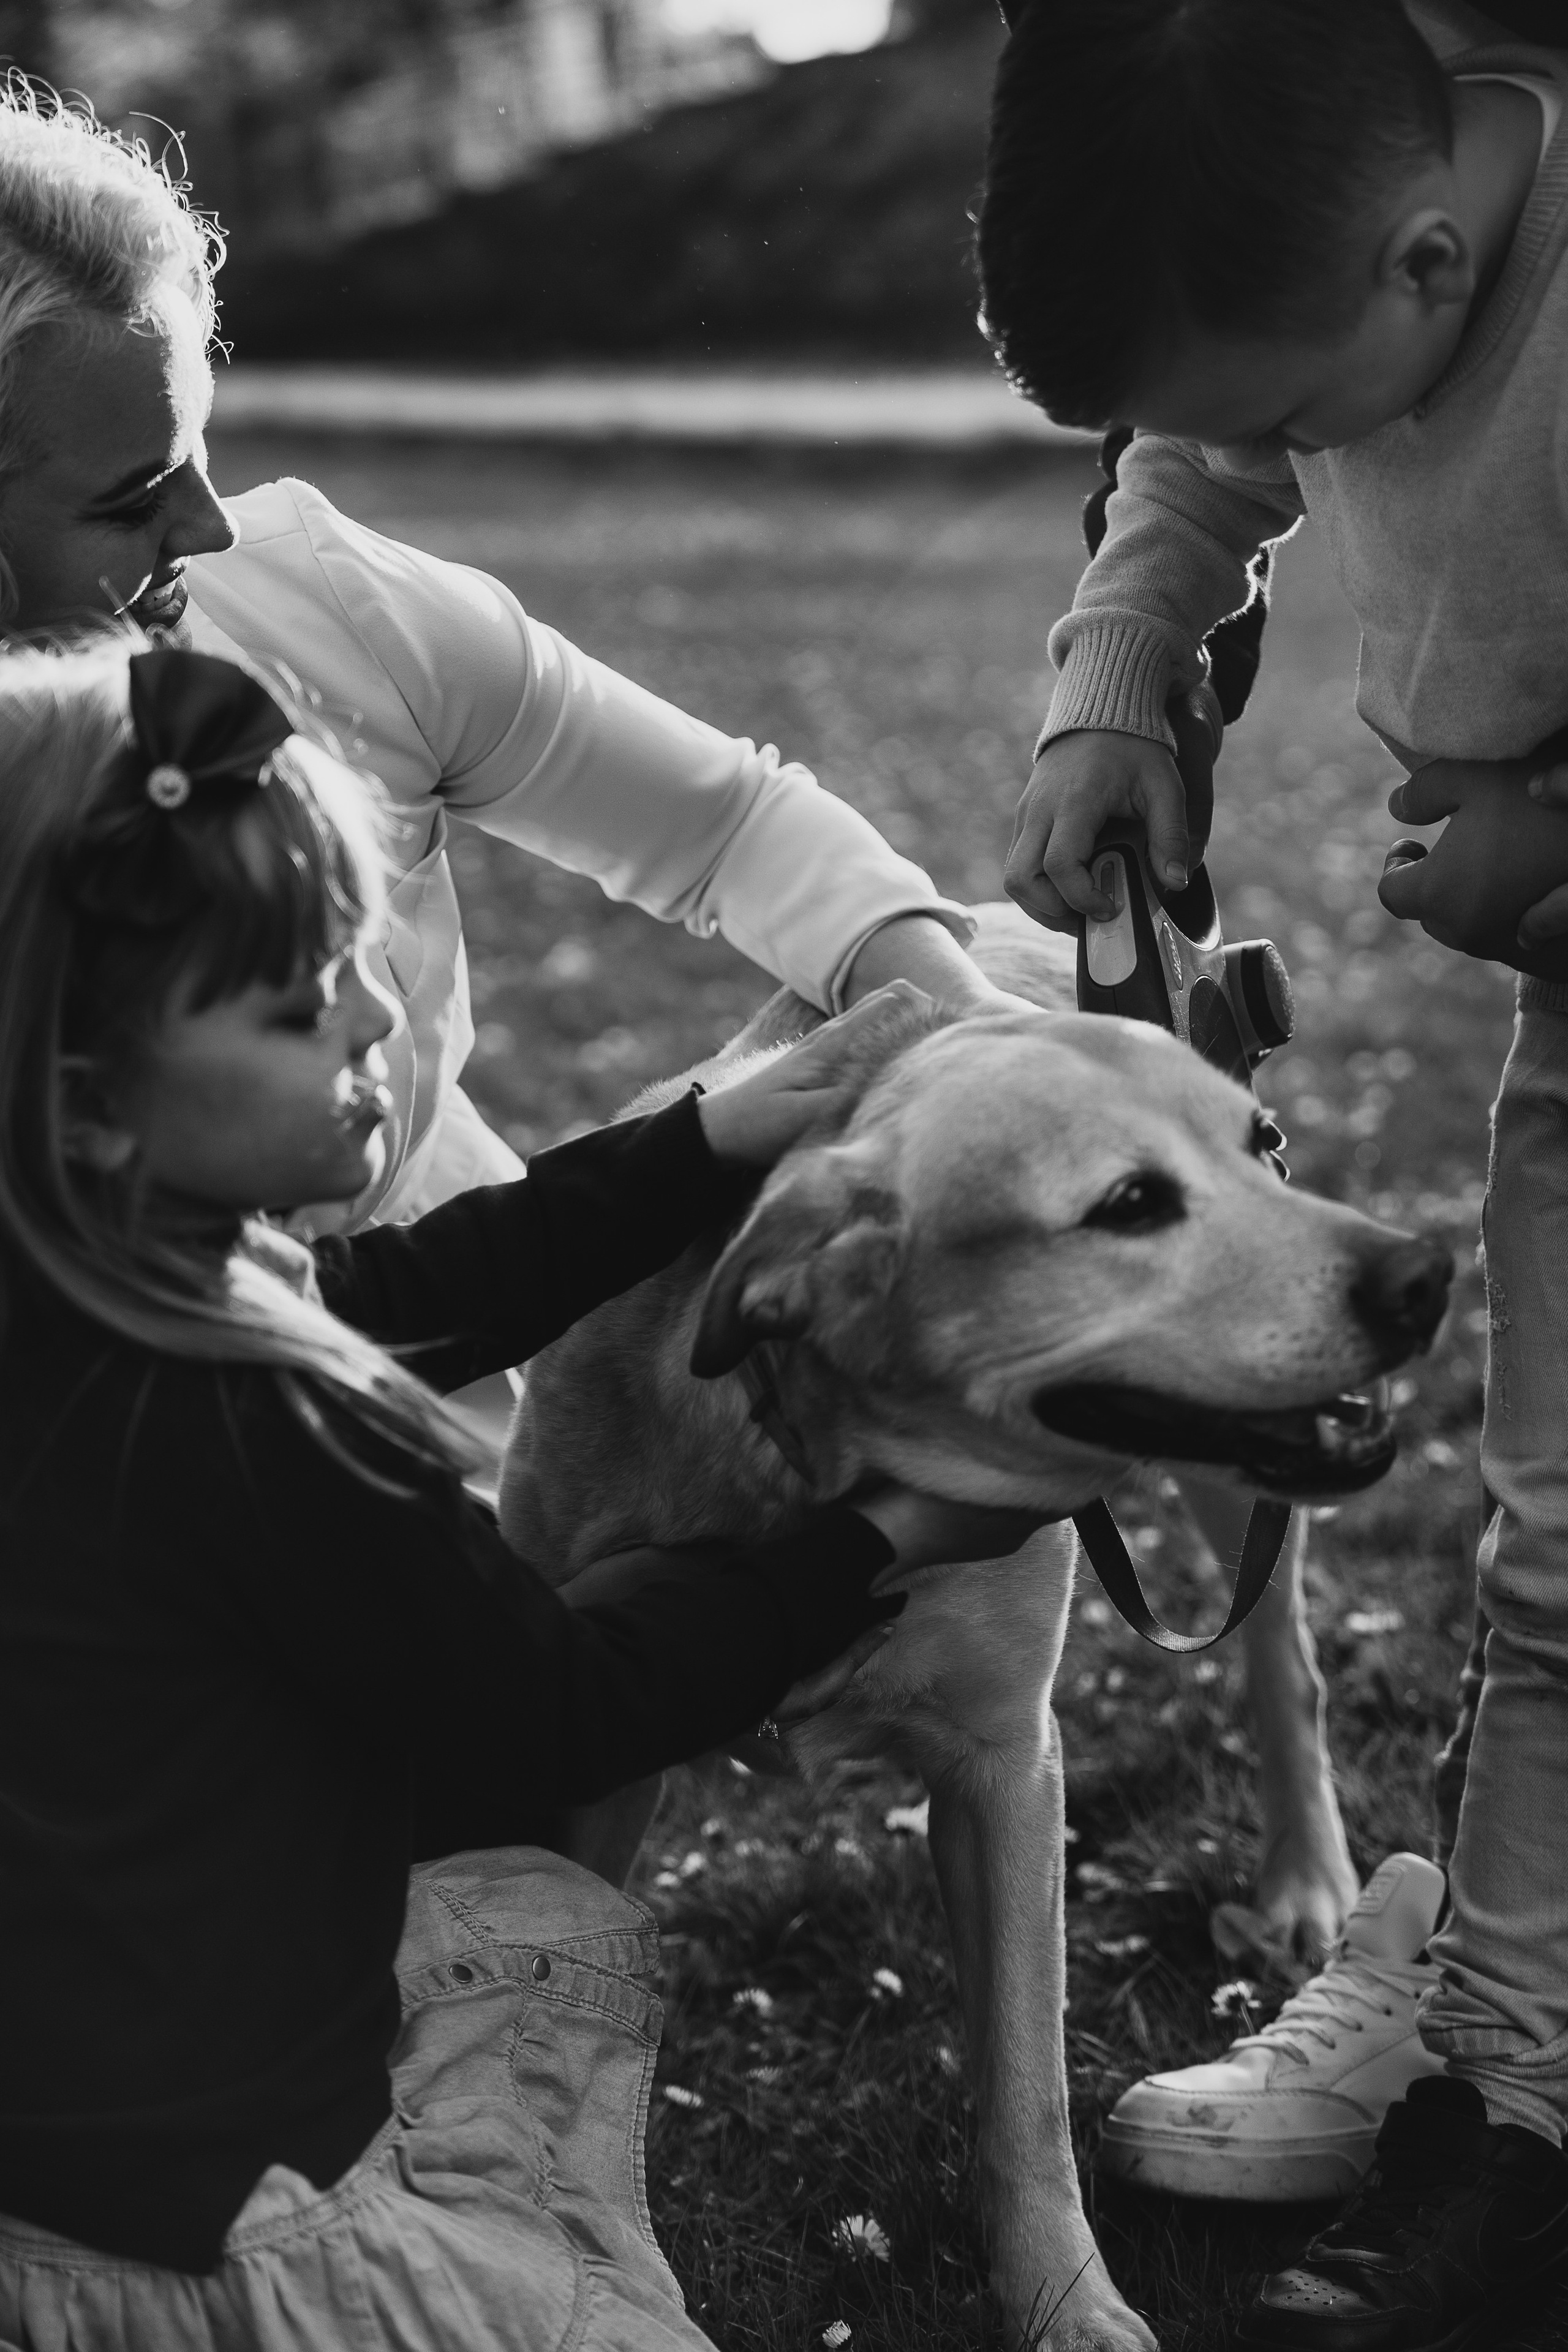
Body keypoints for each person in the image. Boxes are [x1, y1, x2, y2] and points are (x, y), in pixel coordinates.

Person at [0, 637, 1039, 2350]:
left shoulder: (88, 1304)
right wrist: (882, 1539)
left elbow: (409, 1291)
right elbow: (567, 1710)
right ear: (89, 1107)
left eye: (354, 951)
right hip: (223, 2235)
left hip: (54, 2141)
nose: (375, 1010)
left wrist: (703, 1137)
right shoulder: (266, 1423)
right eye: (292, 999)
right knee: (531, 1932)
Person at [979, 2, 1568, 2346]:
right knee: (1559, 1563)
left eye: (1301, 411)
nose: (1270, 463)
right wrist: (1124, 677)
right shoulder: (1356, 215)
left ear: (1430, 268)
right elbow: (1196, 466)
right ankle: (1517, 2109)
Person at [0, 80, 999, 1260]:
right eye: (130, 499)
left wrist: (981, 1041)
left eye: (199, 448)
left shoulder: (321, 600)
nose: (212, 528)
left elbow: (734, 830)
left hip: (473, 1291)